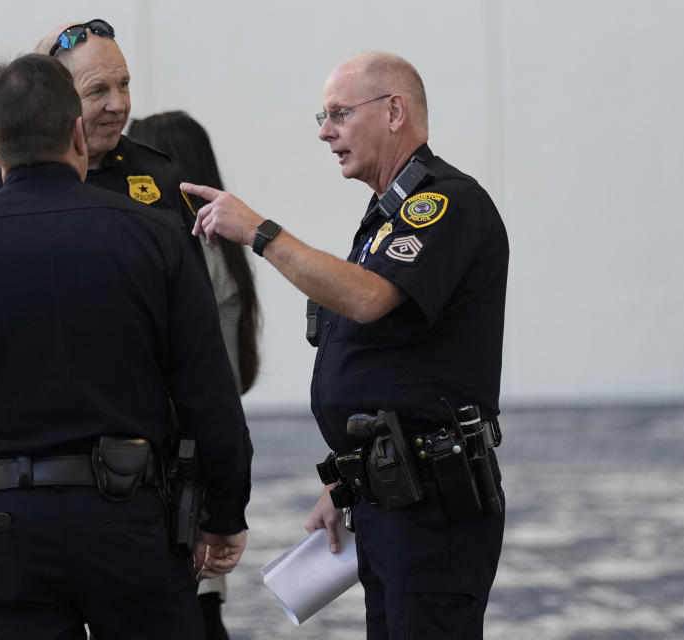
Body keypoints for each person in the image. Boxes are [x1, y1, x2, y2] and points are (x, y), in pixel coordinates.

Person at [0, 54, 252, 640]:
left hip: (5, 534)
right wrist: (224, 513)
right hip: (135, 527)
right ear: (78, 134)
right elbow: (208, 391)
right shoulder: (155, 238)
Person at [182, 52, 508, 639]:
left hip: (433, 506)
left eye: (338, 114)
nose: (324, 131)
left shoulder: (444, 203)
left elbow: (368, 299)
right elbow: (393, 369)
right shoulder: (387, 216)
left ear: (394, 112)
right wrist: (347, 482)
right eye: (322, 115)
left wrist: (260, 232)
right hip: (391, 498)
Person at [129, 111, 261, 640]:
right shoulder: (216, 251)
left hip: (180, 485)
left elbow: (203, 387)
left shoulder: (189, 252)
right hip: (197, 475)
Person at [0, 19, 199, 250]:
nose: (119, 104)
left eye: (123, 84)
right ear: (53, 99)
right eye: (97, 90)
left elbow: (195, 293)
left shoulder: (159, 174)